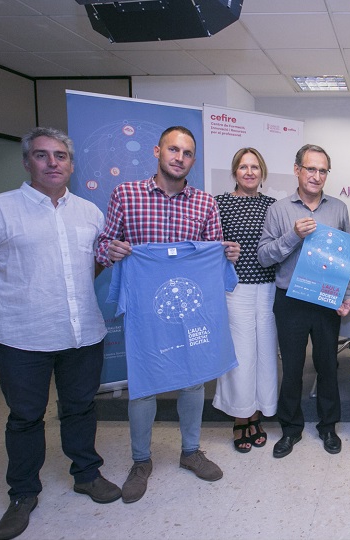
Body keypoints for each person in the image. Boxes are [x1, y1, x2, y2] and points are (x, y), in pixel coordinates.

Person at [0, 127, 121, 540]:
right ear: (27, 161)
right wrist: (11, 306)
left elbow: (94, 264)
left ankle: (86, 474)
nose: (52, 163)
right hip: (21, 338)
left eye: (61, 156)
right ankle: (23, 494)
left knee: (80, 408)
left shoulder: (90, 213)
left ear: (71, 164)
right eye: (43, 155)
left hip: (82, 333)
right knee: (25, 417)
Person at [95, 126, 241, 503]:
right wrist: (110, 251)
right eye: (173, 150)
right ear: (157, 151)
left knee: (193, 379)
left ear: (194, 159)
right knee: (143, 383)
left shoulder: (204, 203)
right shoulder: (127, 194)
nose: (179, 158)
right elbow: (102, 244)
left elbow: (213, 250)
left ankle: (190, 451)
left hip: (190, 308)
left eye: (187, 153)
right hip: (145, 311)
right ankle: (140, 461)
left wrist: (227, 254)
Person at [257, 144, 350, 459]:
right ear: (297, 169)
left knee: (327, 366)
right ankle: (290, 429)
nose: (316, 176)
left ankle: (328, 426)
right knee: (293, 368)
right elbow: (264, 256)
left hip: (327, 300)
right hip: (291, 299)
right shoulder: (278, 210)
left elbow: (347, 258)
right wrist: (293, 236)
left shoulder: (338, 208)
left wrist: (347, 295)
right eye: (310, 169)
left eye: (322, 170)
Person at [212, 147, 278, 453]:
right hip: (235, 288)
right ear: (234, 172)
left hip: (269, 289)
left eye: (255, 167)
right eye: (243, 167)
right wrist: (222, 251)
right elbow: (207, 244)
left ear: (262, 172)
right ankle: (241, 417)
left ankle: (258, 412)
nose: (249, 172)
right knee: (241, 355)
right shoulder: (219, 204)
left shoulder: (273, 206)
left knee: (266, 354)